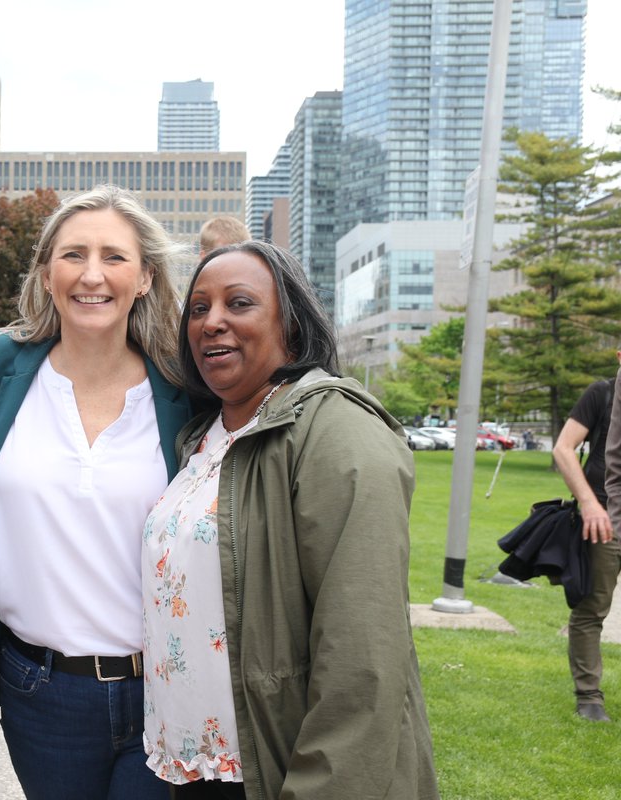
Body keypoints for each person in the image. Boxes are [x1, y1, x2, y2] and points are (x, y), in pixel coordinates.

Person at [142, 241, 437, 799]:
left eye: (240, 303)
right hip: (200, 767)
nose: (212, 322)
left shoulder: (336, 431)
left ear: (293, 325)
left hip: (280, 766)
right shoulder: (204, 439)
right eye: (199, 308)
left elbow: (363, 657)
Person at [0, 185, 191, 799]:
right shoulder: (1, 365)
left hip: (164, 685)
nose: (92, 275)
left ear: (144, 278)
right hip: (40, 690)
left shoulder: (184, 388)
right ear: (46, 271)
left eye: (114, 256)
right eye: (73, 255)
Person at [553, 345, 621, 722]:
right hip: (604, 520)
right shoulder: (603, 393)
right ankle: (589, 696)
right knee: (592, 607)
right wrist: (589, 503)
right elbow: (564, 449)